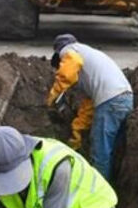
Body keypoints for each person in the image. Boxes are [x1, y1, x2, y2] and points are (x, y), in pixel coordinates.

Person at [46, 34, 133, 181]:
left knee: (100, 152)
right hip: (124, 99)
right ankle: (113, 187)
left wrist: (54, 94)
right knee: (114, 150)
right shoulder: (90, 62)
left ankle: (98, 190)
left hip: (110, 101)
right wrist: (76, 136)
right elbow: (88, 108)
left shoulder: (70, 50)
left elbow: (69, 69)